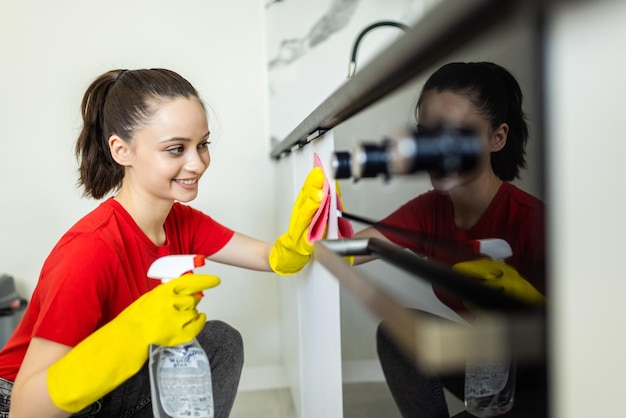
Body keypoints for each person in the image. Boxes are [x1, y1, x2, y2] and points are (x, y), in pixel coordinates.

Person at [0, 68, 326, 418]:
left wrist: (296, 244)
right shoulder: (89, 251)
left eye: (202, 144)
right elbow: (26, 408)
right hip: (24, 402)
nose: (197, 163)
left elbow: (268, 256)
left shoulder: (182, 221)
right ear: (122, 151)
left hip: (99, 395)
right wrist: (131, 335)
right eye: (176, 149)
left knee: (220, 342)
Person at [352, 62, 547, 417]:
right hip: (490, 365)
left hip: (554, 379)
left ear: (497, 138)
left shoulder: (534, 222)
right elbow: (354, 248)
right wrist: (318, 221)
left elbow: (596, 338)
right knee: (397, 333)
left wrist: (537, 308)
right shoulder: (431, 210)